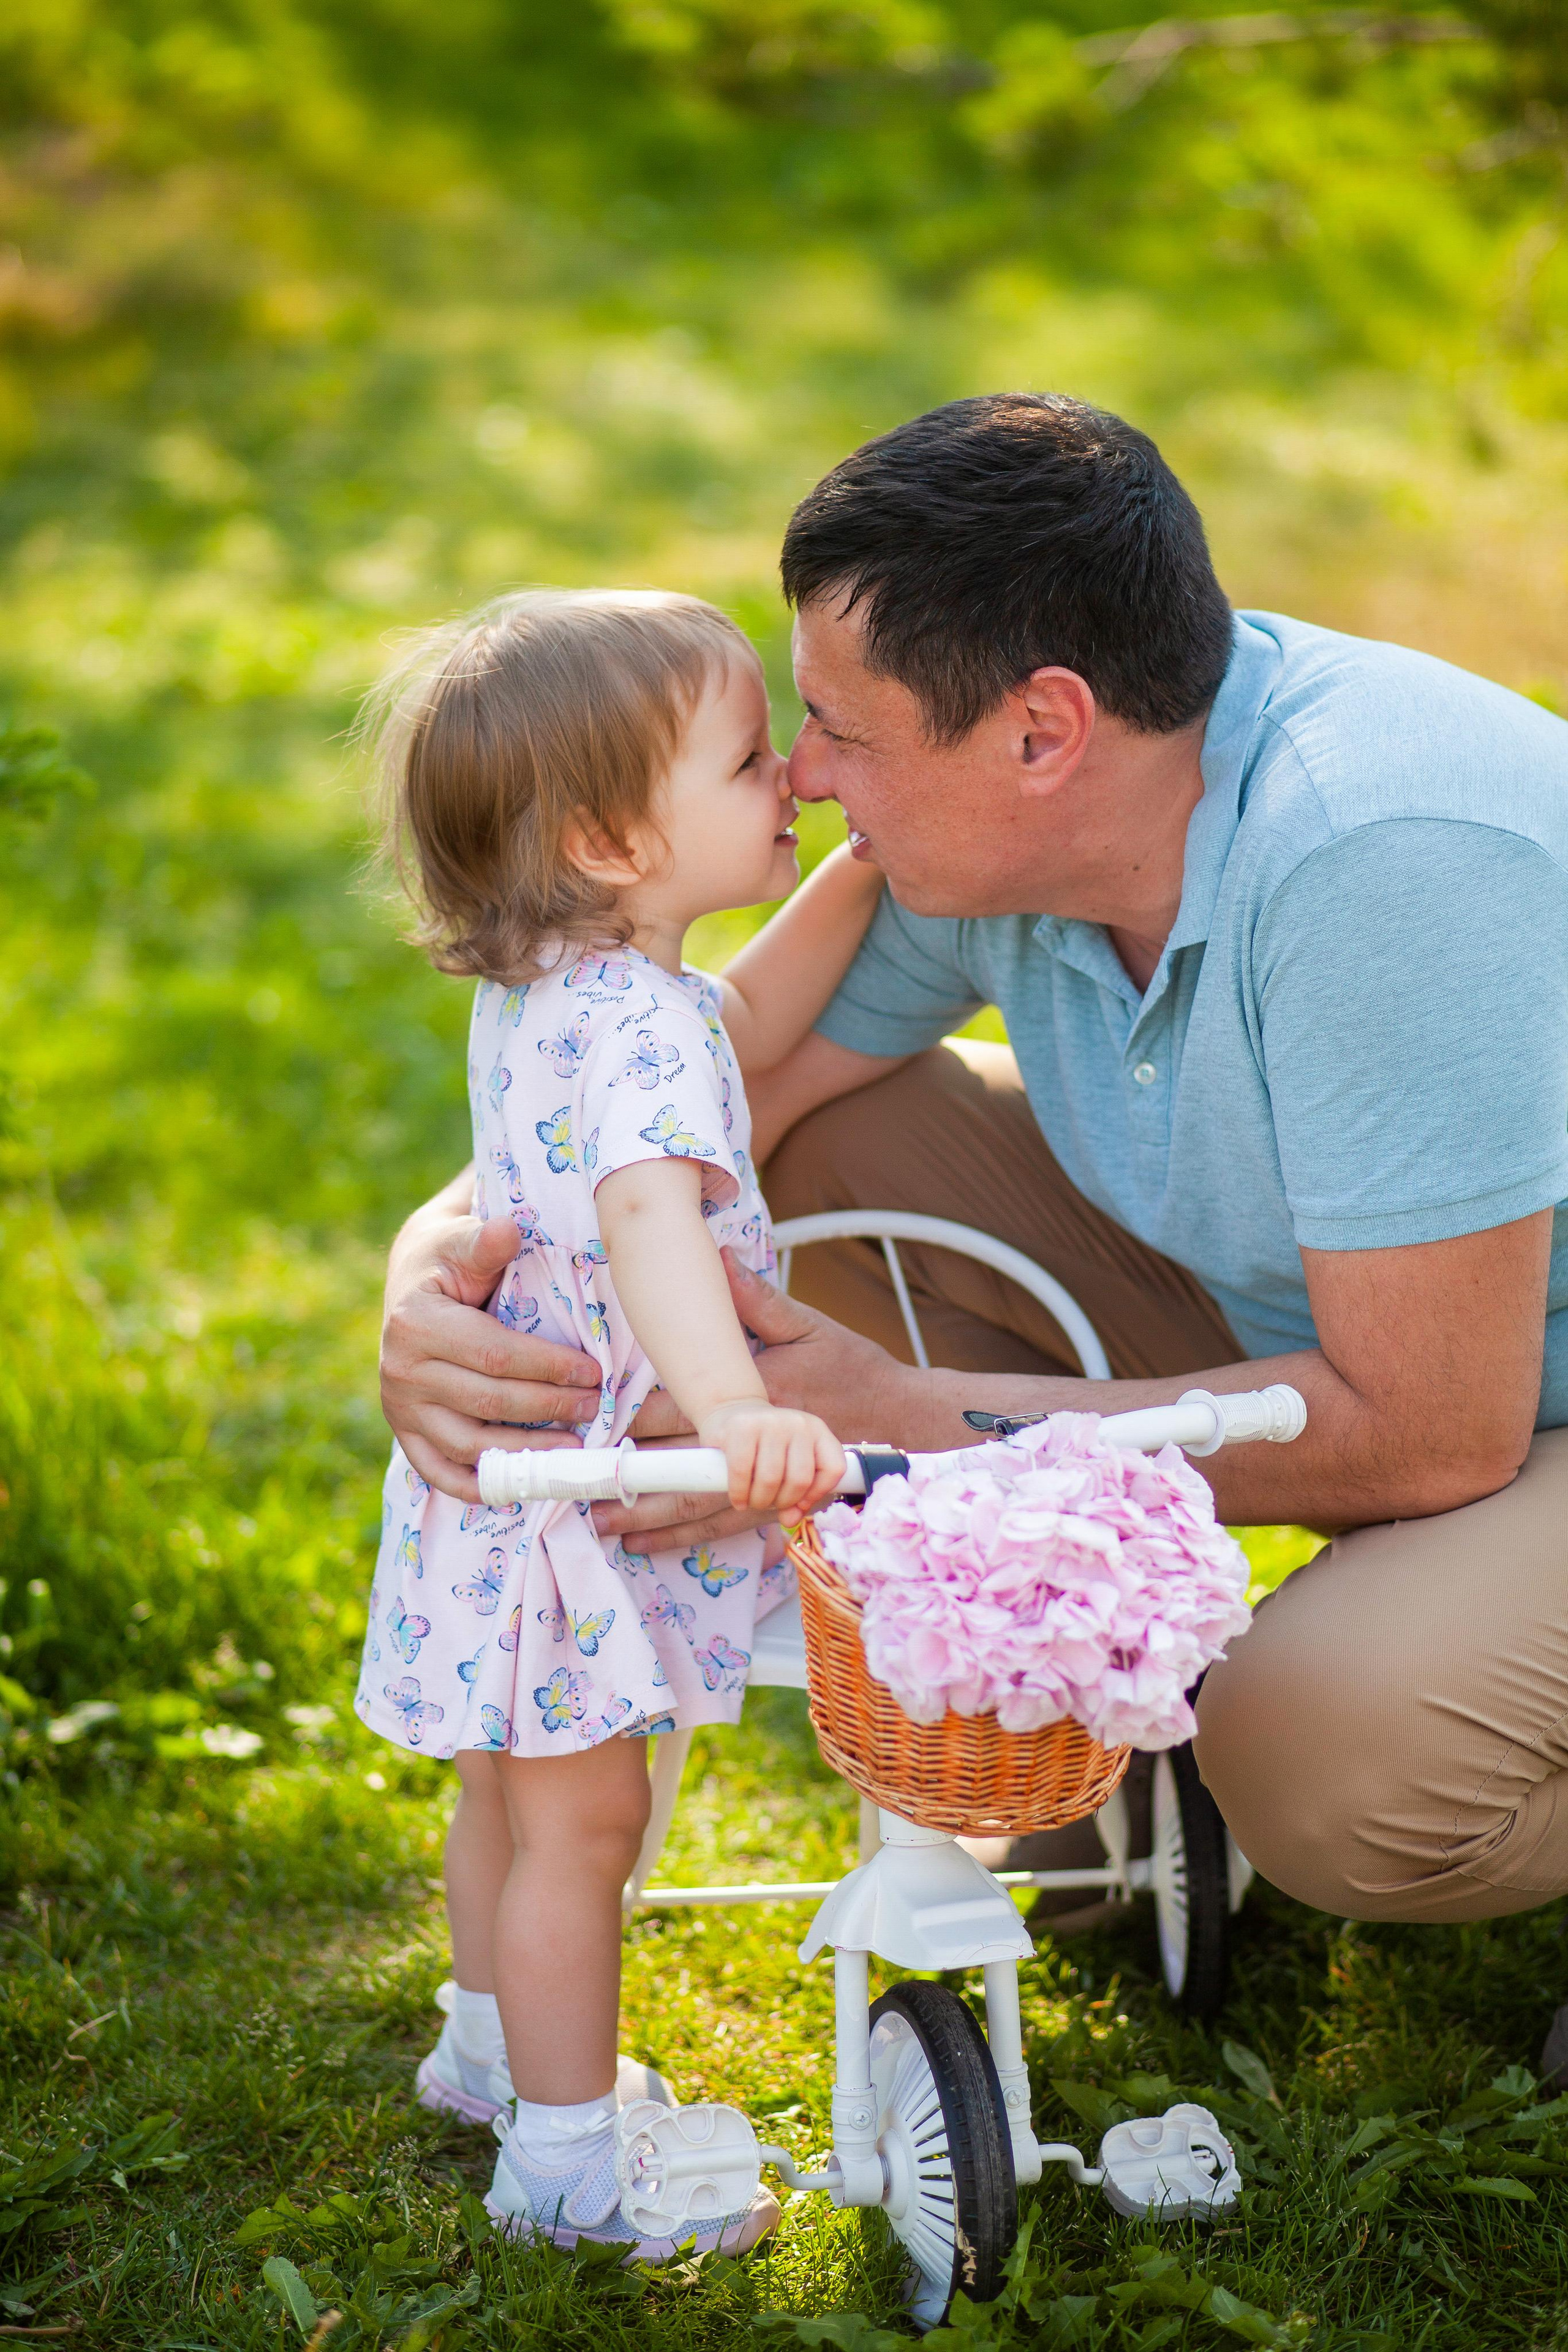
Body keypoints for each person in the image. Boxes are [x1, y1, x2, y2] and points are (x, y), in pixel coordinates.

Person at [379, 398, 1568, 2046]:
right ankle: (1119, 1714)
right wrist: (435, 1271)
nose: (800, 775)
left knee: (1328, 1755)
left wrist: (919, 1427)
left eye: (839, 732)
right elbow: (698, 1093)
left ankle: (1248, 1711)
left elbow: (1438, 1432)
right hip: (1331, 1315)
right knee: (809, 1152)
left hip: (1495, 1401)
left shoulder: (1381, 862)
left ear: (1040, 731)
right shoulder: (1002, 840)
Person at [355, 587, 881, 2255]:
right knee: (588, 1830)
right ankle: (568, 2171)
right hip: (591, 1482)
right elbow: (655, 1223)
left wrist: (867, 861)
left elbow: (756, 1021)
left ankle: (487, 2047)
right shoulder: (643, 1026)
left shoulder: (560, 990)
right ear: (606, 838)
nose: (788, 775)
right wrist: (736, 1413)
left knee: (507, 1797)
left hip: (502, 1488)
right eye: (747, 762)